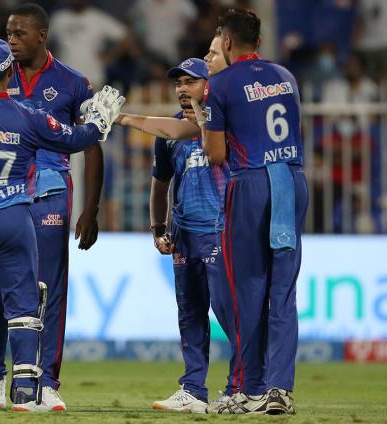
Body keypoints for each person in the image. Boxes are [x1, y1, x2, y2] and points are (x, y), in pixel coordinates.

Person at [0, 36, 124, 411]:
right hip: (15, 217)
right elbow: (75, 138)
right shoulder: (28, 115)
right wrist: (99, 121)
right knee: (24, 303)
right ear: (9, 71)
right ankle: (28, 390)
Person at [0, 3, 104, 411]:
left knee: (49, 289)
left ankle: (46, 381)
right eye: (8, 32)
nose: (11, 40)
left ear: (42, 36)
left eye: (19, 33)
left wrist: (91, 208)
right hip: (1, 192)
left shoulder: (71, 82)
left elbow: (91, 143)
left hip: (50, 192)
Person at [202, 8, 308, 415]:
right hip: (291, 181)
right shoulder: (286, 77)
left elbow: (215, 154)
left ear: (226, 43)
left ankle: (249, 388)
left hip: (251, 184)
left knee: (246, 288)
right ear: (259, 43)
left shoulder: (220, 84)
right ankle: (280, 391)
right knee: (283, 291)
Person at [147, 58, 228, 414]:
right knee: (191, 313)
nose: (182, 89)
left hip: (222, 229)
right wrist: (158, 226)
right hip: (184, 233)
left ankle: (243, 388)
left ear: (208, 86)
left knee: (230, 313)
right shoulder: (170, 133)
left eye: (190, 82)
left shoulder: (226, 124)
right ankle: (193, 390)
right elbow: (160, 182)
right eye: (178, 83)